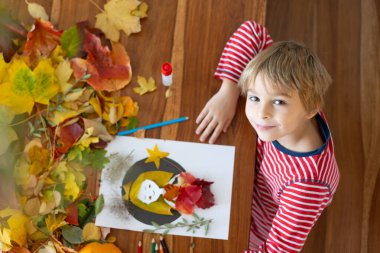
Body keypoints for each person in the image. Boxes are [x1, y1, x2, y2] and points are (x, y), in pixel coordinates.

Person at [198, 21, 340, 252]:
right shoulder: (294, 102)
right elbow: (253, 32)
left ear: (311, 109)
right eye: (254, 97)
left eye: (278, 102)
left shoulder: (306, 186)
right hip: (250, 174)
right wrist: (229, 92)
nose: (261, 114)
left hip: (261, 220)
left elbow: (278, 249)